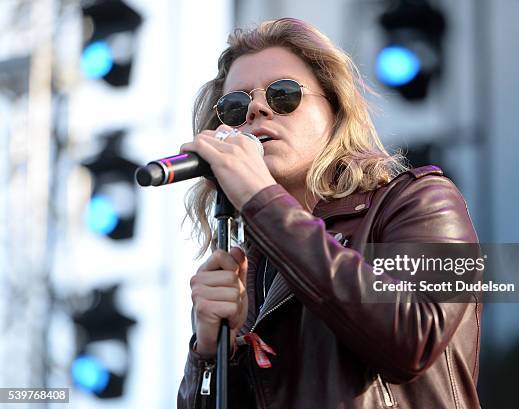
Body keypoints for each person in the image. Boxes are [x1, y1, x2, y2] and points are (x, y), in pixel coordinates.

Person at [177, 17, 481, 409]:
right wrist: (210, 353)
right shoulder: (249, 273)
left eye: (282, 94)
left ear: (334, 112)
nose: (256, 108)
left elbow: (413, 338)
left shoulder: (423, 202)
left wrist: (262, 198)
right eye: (234, 106)